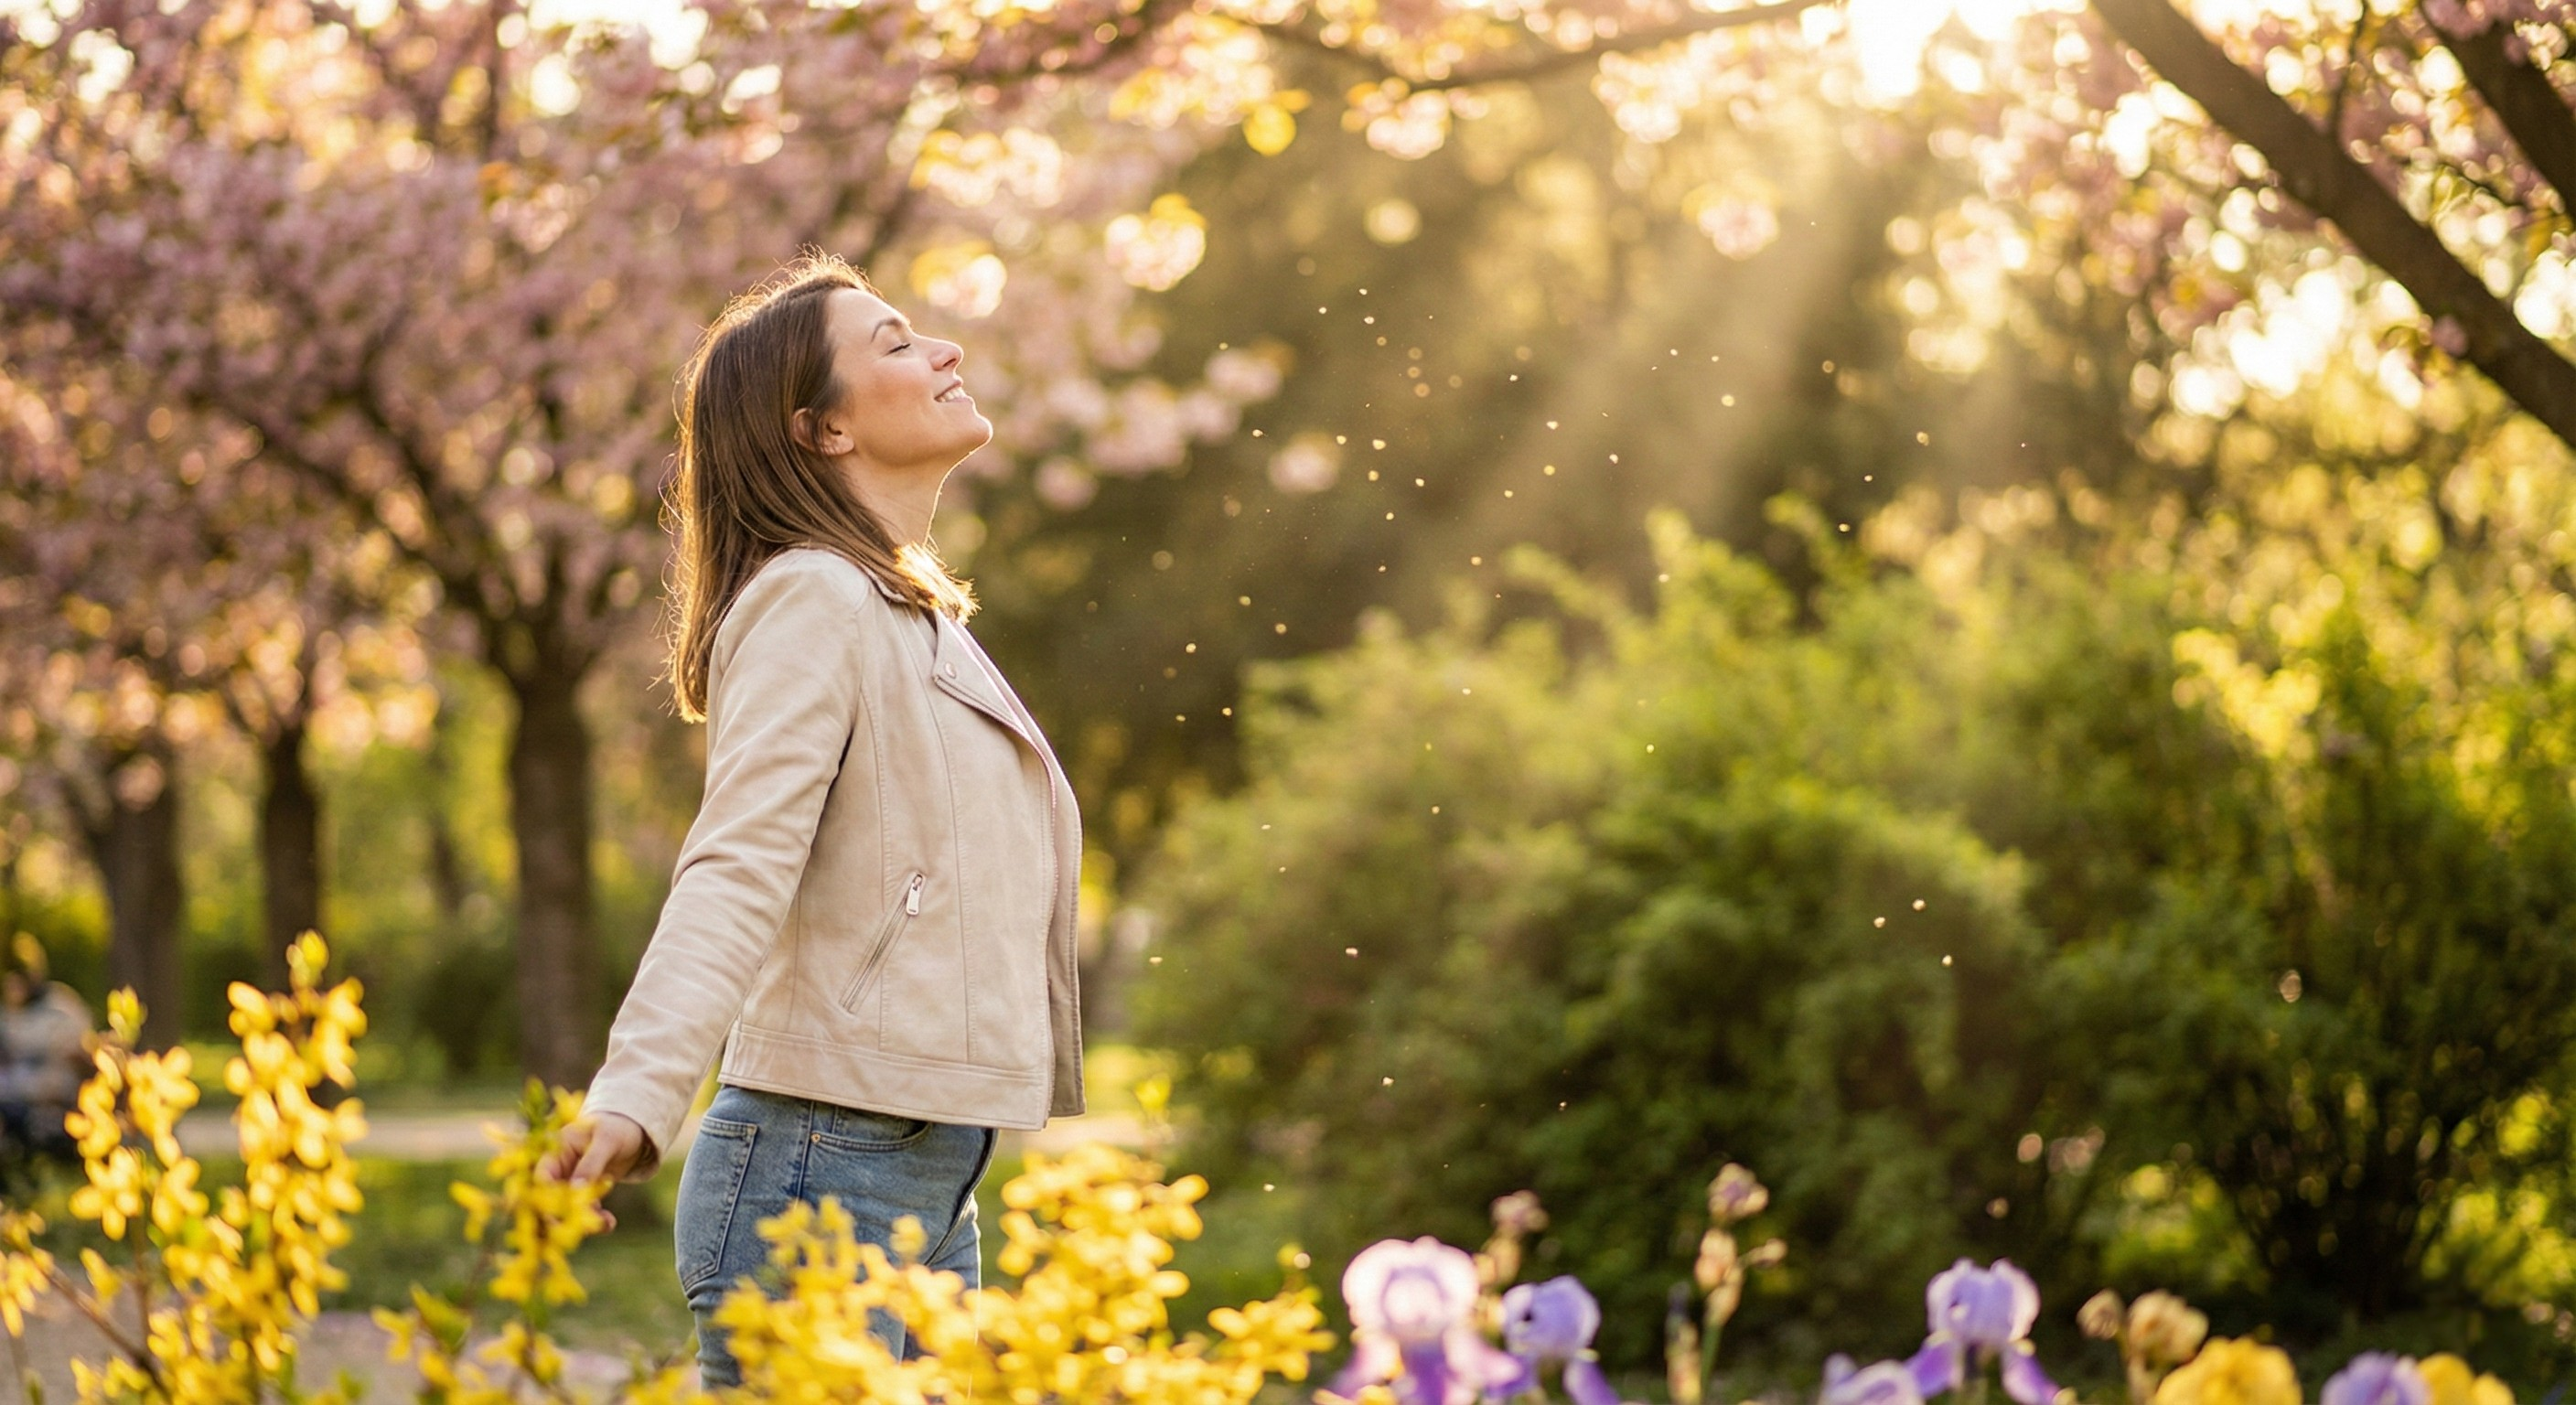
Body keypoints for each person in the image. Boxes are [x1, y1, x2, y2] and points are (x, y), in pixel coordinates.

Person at [537, 254, 1086, 1387]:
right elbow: (735, 866)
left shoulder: (902, 608)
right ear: (821, 430)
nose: (944, 351)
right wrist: (637, 1096)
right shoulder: (812, 597)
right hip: (819, 1164)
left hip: (922, 1164)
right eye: (892, 342)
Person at [0, 932, 92, 1166]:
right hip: (11, 1101)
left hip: (50, 1102)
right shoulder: (7, 1016)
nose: (12, 989)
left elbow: (80, 1053)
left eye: (17, 982)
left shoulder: (61, 1009)